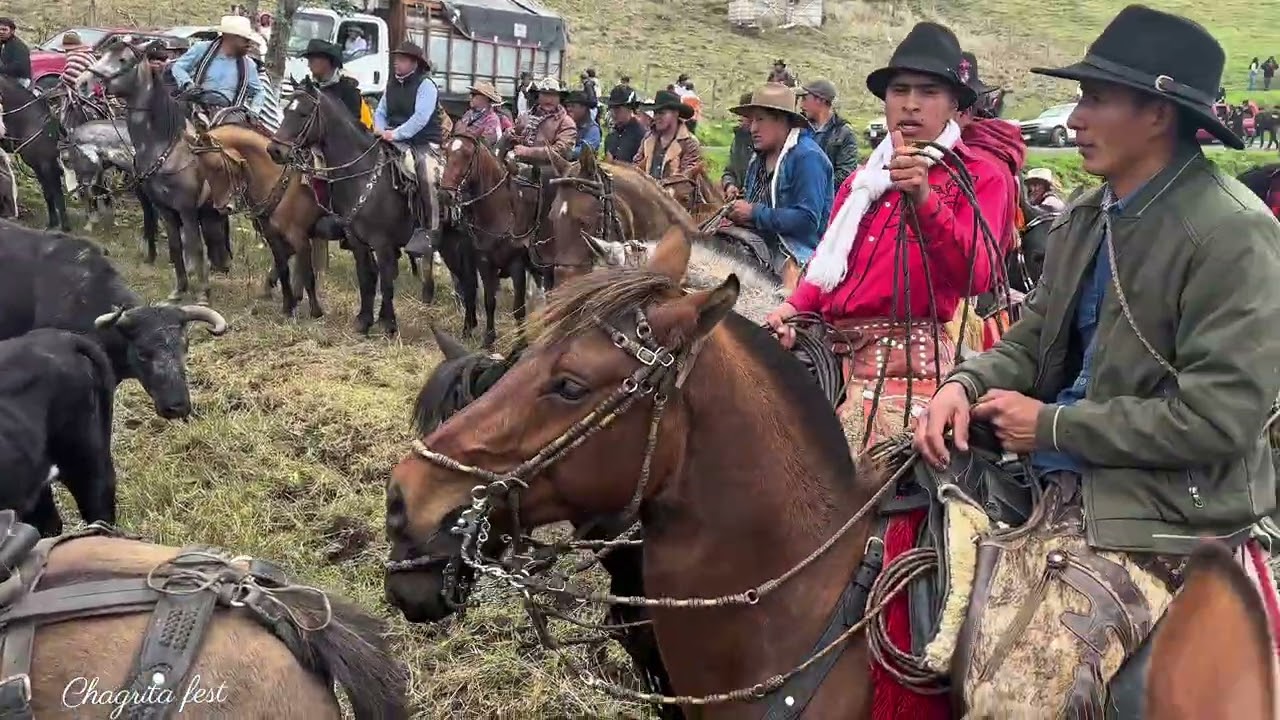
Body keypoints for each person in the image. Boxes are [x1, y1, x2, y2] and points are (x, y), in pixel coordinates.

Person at [917, 13, 1280, 713]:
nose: (1076, 117)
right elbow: (1033, 338)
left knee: (1016, 696)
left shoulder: (1234, 234)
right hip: (1050, 469)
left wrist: (1052, 427)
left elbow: (1219, 421)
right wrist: (963, 384)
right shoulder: (1088, 213)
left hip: (1168, 512)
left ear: (1158, 114)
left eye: (1096, 98)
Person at [764, 21, 1007, 450]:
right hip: (827, 346)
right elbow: (826, 266)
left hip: (905, 365)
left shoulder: (981, 176)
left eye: (928, 92)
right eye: (900, 91)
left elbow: (977, 276)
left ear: (954, 103)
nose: (911, 104)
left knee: (865, 475)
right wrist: (790, 309)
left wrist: (926, 202)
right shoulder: (862, 181)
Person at [723, 83, 833, 289]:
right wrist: (739, 211)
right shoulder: (758, 158)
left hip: (795, 251)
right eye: (752, 120)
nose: (753, 128)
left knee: (780, 299)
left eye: (760, 119)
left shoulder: (807, 157)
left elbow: (808, 219)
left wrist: (754, 213)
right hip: (758, 241)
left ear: (781, 120)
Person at [373, 42, 445, 255]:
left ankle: (431, 230)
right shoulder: (391, 84)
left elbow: (420, 118)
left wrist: (394, 134)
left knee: (425, 173)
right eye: (396, 59)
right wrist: (379, 129)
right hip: (394, 138)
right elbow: (381, 111)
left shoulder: (426, 85)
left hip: (424, 142)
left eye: (402, 60)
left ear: (415, 63)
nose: (397, 63)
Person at [170, 16, 265, 119]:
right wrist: (188, 84)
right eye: (245, 40)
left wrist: (254, 111)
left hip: (229, 111)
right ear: (230, 37)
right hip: (197, 103)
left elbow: (259, 92)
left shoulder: (248, 64)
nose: (248, 44)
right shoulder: (202, 49)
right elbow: (178, 67)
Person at [634, 89, 704, 211]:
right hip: (646, 203)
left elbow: (685, 181)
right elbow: (636, 167)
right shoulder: (648, 138)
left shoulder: (689, 143)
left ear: (675, 114)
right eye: (655, 113)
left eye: (662, 113)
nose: (656, 117)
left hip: (677, 208)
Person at [797, 78, 859, 188]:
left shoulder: (844, 133)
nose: (801, 105)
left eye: (805, 99)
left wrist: (814, 186)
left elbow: (846, 174)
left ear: (820, 100)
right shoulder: (798, 128)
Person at [510, 76, 576, 161]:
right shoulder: (526, 116)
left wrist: (528, 152)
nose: (548, 100)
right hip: (520, 164)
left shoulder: (566, 122)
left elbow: (561, 151)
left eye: (553, 95)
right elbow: (516, 143)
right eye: (544, 94)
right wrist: (512, 136)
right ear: (538, 96)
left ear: (559, 98)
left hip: (550, 168)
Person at [298, 39, 361, 120]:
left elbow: (351, 125)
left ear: (327, 61)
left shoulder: (349, 92)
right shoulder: (306, 87)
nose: (309, 65)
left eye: (312, 61)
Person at [721, 91, 754, 200]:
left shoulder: (770, 145)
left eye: (745, 115)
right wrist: (729, 185)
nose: (740, 118)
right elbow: (729, 171)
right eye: (740, 114)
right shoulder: (739, 140)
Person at [603, 85, 644, 163]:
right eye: (611, 107)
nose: (613, 112)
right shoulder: (611, 137)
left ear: (630, 108)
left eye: (617, 108)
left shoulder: (641, 137)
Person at [456, 81, 504, 147]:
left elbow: (484, 143)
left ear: (485, 98)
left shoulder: (492, 120)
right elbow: (457, 131)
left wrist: (465, 132)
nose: (470, 97)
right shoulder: (468, 114)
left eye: (473, 94)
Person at [564, 90, 601, 160]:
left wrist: (562, 152)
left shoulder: (593, 129)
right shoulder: (566, 126)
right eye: (567, 106)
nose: (568, 109)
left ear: (584, 108)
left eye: (572, 106)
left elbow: (584, 152)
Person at [0, 18, 31, 88]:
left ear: (12, 31)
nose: (1, 32)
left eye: (4, 30)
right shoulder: (3, 43)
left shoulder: (19, 46)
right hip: (6, 78)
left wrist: (1, 69)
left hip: (19, 80)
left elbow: (18, 67)